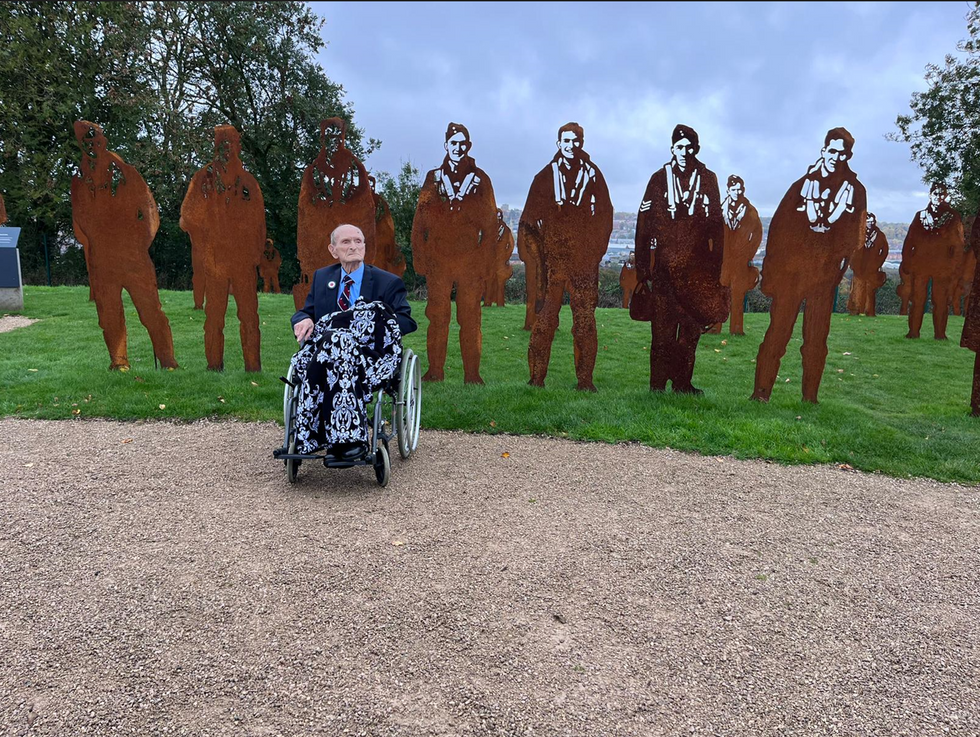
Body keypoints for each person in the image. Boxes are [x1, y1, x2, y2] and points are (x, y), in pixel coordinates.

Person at [752, 127, 867, 403]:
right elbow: (779, 229)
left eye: (843, 153)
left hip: (823, 279)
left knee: (816, 340)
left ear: (848, 155)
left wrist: (835, 266)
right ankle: (760, 393)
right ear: (823, 150)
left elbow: (855, 235)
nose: (836, 157)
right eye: (832, 151)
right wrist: (772, 273)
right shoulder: (800, 186)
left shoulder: (855, 191)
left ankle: (810, 398)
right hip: (791, 277)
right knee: (777, 334)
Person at [291, 224, 417, 459]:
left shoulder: (387, 282)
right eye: (346, 242)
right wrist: (304, 320)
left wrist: (370, 325)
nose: (354, 247)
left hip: (369, 358)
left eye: (358, 241)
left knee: (340, 339)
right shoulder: (322, 278)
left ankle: (338, 437)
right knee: (337, 341)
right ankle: (343, 439)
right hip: (325, 355)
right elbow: (306, 311)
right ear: (333, 250)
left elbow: (406, 321)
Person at [70, 120, 178, 371]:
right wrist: (93, 248)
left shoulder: (125, 172)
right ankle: (119, 361)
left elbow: (150, 211)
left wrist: (140, 244)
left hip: (133, 257)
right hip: (102, 260)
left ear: (103, 141)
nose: (92, 147)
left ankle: (168, 361)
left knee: (151, 311)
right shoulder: (79, 180)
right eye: (87, 143)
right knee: (108, 314)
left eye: (96, 142)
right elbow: (79, 222)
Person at [633, 124, 727, 394]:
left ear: (696, 149)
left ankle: (683, 383)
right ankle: (657, 385)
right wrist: (643, 270)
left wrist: (714, 269)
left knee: (690, 331)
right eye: (679, 147)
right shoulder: (658, 179)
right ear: (672, 148)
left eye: (689, 147)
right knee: (662, 331)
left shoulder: (708, 178)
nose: (684, 152)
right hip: (663, 270)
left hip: (697, 271)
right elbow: (644, 224)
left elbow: (716, 228)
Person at [521, 122, 613, 391]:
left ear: (581, 143)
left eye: (575, 141)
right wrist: (539, 258)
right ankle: (536, 378)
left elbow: (605, 217)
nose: (571, 145)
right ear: (558, 142)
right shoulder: (544, 177)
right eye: (566, 140)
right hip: (553, 263)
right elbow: (528, 222)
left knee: (585, 322)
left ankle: (585, 381)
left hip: (583, 263)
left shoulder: (593, 175)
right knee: (545, 320)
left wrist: (594, 253)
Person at [411, 122, 498, 384]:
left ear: (468, 146)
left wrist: (485, 263)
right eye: (453, 143)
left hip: (470, 260)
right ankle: (435, 371)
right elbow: (420, 222)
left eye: (463, 144)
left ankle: (472, 374)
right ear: (446, 145)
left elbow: (491, 227)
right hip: (439, 260)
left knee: (470, 317)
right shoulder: (433, 178)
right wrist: (420, 256)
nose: (458, 148)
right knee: (437, 316)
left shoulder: (481, 180)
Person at [898, 182, 967, 340]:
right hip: (920, 266)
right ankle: (913, 332)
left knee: (941, 301)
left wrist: (953, 267)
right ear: (930, 195)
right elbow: (910, 241)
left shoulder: (953, 217)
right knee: (917, 299)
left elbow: (958, 245)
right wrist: (907, 261)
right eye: (936, 194)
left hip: (942, 267)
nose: (939, 197)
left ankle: (940, 334)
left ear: (946, 196)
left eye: (942, 194)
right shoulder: (920, 216)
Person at [847, 212, 888, 317]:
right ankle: (854, 311)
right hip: (858, 267)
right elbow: (850, 249)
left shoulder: (879, 235)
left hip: (872, 267)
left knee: (870, 290)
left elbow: (885, 251)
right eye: (868, 222)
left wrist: (878, 263)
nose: (870, 224)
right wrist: (852, 263)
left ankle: (869, 311)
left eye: (872, 222)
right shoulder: (857, 234)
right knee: (857, 289)